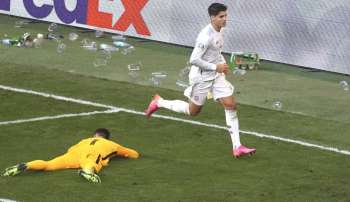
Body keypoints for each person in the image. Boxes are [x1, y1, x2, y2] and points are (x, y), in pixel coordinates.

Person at [145, 3, 256, 157]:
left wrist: (221, 64)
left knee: (231, 104)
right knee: (193, 111)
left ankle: (237, 147)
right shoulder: (205, 37)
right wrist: (216, 67)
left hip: (216, 74)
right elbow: (194, 59)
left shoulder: (221, 30)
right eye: (221, 16)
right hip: (202, 77)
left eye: (226, 15)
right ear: (212, 18)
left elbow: (216, 52)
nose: (225, 19)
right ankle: (159, 102)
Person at [2, 128, 139, 183]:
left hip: (73, 154)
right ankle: (88, 172)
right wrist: (123, 154)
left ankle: (26, 165)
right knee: (91, 163)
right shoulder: (112, 144)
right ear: (107, 138)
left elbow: (71, 149)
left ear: (94, 135)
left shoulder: (84, 140)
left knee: (48, 164)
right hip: (91, 155)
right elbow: (134, 154)